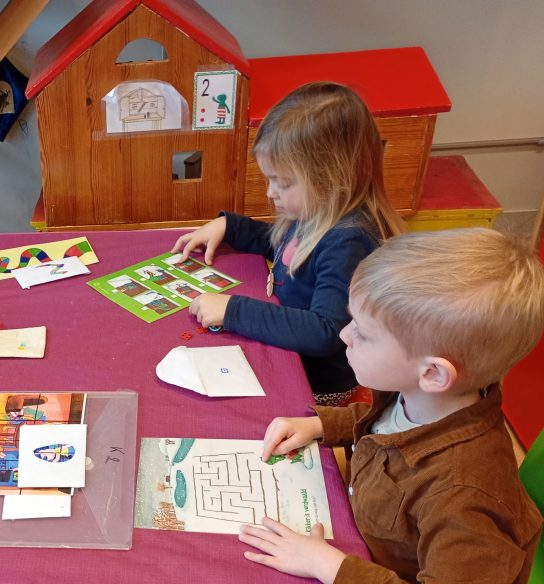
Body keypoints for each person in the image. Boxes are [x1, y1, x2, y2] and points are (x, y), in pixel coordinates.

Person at [242, 229, 544, 584]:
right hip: (374, 556)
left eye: (363, 333)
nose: (343, 334)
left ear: (433, 373)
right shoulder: (426, 398)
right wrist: (325, 425)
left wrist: (326, 565)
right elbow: (387, 425)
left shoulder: (464, 498)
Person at [173, 81, 404, 405]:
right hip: (293, 356)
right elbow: (287, 250)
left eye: (282, 183)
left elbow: (324, 332)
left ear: (332, 179)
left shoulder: (348, 242)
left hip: (317, 384)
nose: (270, 193)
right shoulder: (318, 211)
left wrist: (233, 310)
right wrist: (230, 226)